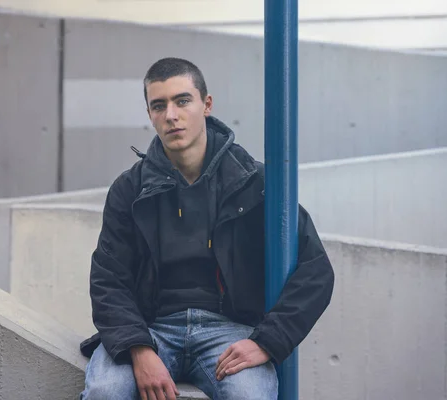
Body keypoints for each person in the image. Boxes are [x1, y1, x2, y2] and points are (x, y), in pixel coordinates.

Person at [79, 57, 334, 400]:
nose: (171, 115)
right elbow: (109, 280)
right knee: (105, 392)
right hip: (151, 328)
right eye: (159, 105)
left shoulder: (254, 182)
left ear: (206, 105)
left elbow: (315, 269)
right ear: (150, 115)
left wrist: (266, 341)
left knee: (252, 396)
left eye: (182, 100)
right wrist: (138, 349)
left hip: (229, 330)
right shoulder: (130, 189)